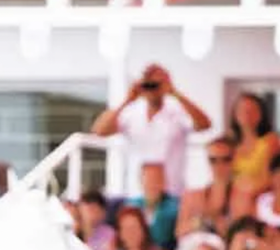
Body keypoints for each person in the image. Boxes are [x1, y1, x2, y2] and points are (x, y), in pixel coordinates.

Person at [90, 62, 212, 198]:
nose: (151, 89)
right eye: (147, 85)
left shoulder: (177, 111)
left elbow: (205, 124)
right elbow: (99, 131)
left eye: (155, 85)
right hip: (136, 193)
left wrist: (174, 92)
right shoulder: (131, 112)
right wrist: (128, 99)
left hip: (172, 194)